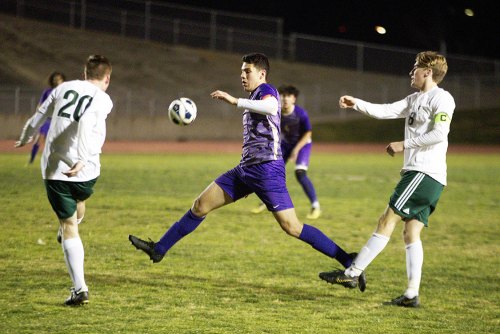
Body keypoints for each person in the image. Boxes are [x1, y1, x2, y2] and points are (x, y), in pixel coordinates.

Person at [129, 53, 365, 291]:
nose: (242, 75)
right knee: (200, 205)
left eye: (247, 71)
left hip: (267, 171)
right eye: (241, 71)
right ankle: (159, 249)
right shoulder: (253, 96)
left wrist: (235, 101)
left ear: (261, 74)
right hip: (245, 170)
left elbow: (272, 106)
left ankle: (348, 260)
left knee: (292, 227)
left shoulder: (268, 91)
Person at [318, 51, 455, 307]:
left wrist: (405, 144)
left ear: (427, 72)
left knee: (387, 219)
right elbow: (385, 110)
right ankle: (411, 295)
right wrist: (356, 102)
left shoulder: (442, 98)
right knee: (411, 231)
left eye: (415, 67)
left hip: (423, 173)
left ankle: (351, 273)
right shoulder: (415, 98)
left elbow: (439, 133)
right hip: (428, 177)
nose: (411, 72)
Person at [15, 55, 113, 306]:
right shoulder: (103, 98)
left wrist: (26, 135)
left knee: (69, 226)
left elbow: (40, 115)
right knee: (78, 200)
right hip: (88, 170)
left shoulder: (62, 88)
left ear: (84, 72)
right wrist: (82, 158)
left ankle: (80, 288)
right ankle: (71, 223)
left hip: (56, 168)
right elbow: (89, 122)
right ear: (107, 78)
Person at [251, 84, 321, 219]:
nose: (285, 99)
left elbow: (307, 134)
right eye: (282, 96)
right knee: (271, 172)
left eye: (289, 96)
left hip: (302, 145)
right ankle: (266, 202)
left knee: (300, 173)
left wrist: (295, 150)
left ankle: (315, 206)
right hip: (286, 145)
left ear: (294, 99)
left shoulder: (300, 114)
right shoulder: (276, 112)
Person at [28, 71, 66, 165]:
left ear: (63, 80)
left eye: (58, 79)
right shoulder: (47, 92)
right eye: (54, 79)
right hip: (47, 119)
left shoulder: (65, 92)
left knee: (60, 142)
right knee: (39, 139)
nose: (56, 80)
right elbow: (40, 105)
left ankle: (59, 162)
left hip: (59, 120)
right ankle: (31, 160)